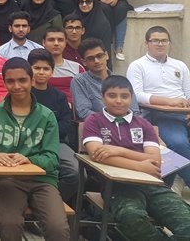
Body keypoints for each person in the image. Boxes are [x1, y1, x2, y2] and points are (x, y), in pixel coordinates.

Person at [0, 58, 70, 241]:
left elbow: (52, 158)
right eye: (10, 81)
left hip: (43, 181)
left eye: (22, 80)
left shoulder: (47, 115)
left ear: (32, 81)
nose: (17, 86)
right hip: (8, 180)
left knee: (58, 228)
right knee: (10, 224)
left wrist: (30, 160)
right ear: (4, 83)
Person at [82, 75, 190, 240]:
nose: (119, 101)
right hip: (117, 187)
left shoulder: (143, 124)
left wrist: (119, 151)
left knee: (187, 223)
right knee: (132, 220)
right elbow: (98, 155)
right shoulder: (94, 121)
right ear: (103, 97)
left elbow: (155, 160)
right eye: (112, 95)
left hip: (153, 186)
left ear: (131, 98)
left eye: (124, 96)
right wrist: (140, 165)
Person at [127, 26, 190, 186]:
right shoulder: (138, 65)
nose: (160, 44)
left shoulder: (180, 65)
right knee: (178, 142)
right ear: (147, 43)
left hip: (184, 112)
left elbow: (188, 92)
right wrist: (168, 101)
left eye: (164, 41)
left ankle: (179, 180)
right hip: (157, 114)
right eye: (155, 40)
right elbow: (136, 95)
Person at [27, 49, 79, 203]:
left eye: (46, 69)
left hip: (56, 142)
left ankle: (49, 202)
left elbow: (66, 124)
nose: (41, 72)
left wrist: (47, 133)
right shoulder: (22, 94)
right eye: (37, 68)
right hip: (26, 141)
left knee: (75, 173)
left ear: (52, 71)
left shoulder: (59, 96)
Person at [72, 38, 139, 120]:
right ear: (84, 62)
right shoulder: (80, 81)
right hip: (98, 125)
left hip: (127, 124)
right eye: (91, 58)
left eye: (99, 56)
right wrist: (113, 121)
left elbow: (135, 111)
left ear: (107, 55)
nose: (96, 61)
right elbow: (84, 112)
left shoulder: (121, 80)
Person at [42, 28, 84, 105]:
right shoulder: (35, 68)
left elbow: (84, 94)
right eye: (51, 40)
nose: (56, 43)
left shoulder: (77, 68)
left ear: (65, 43)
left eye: (60, 40)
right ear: (44, 43)